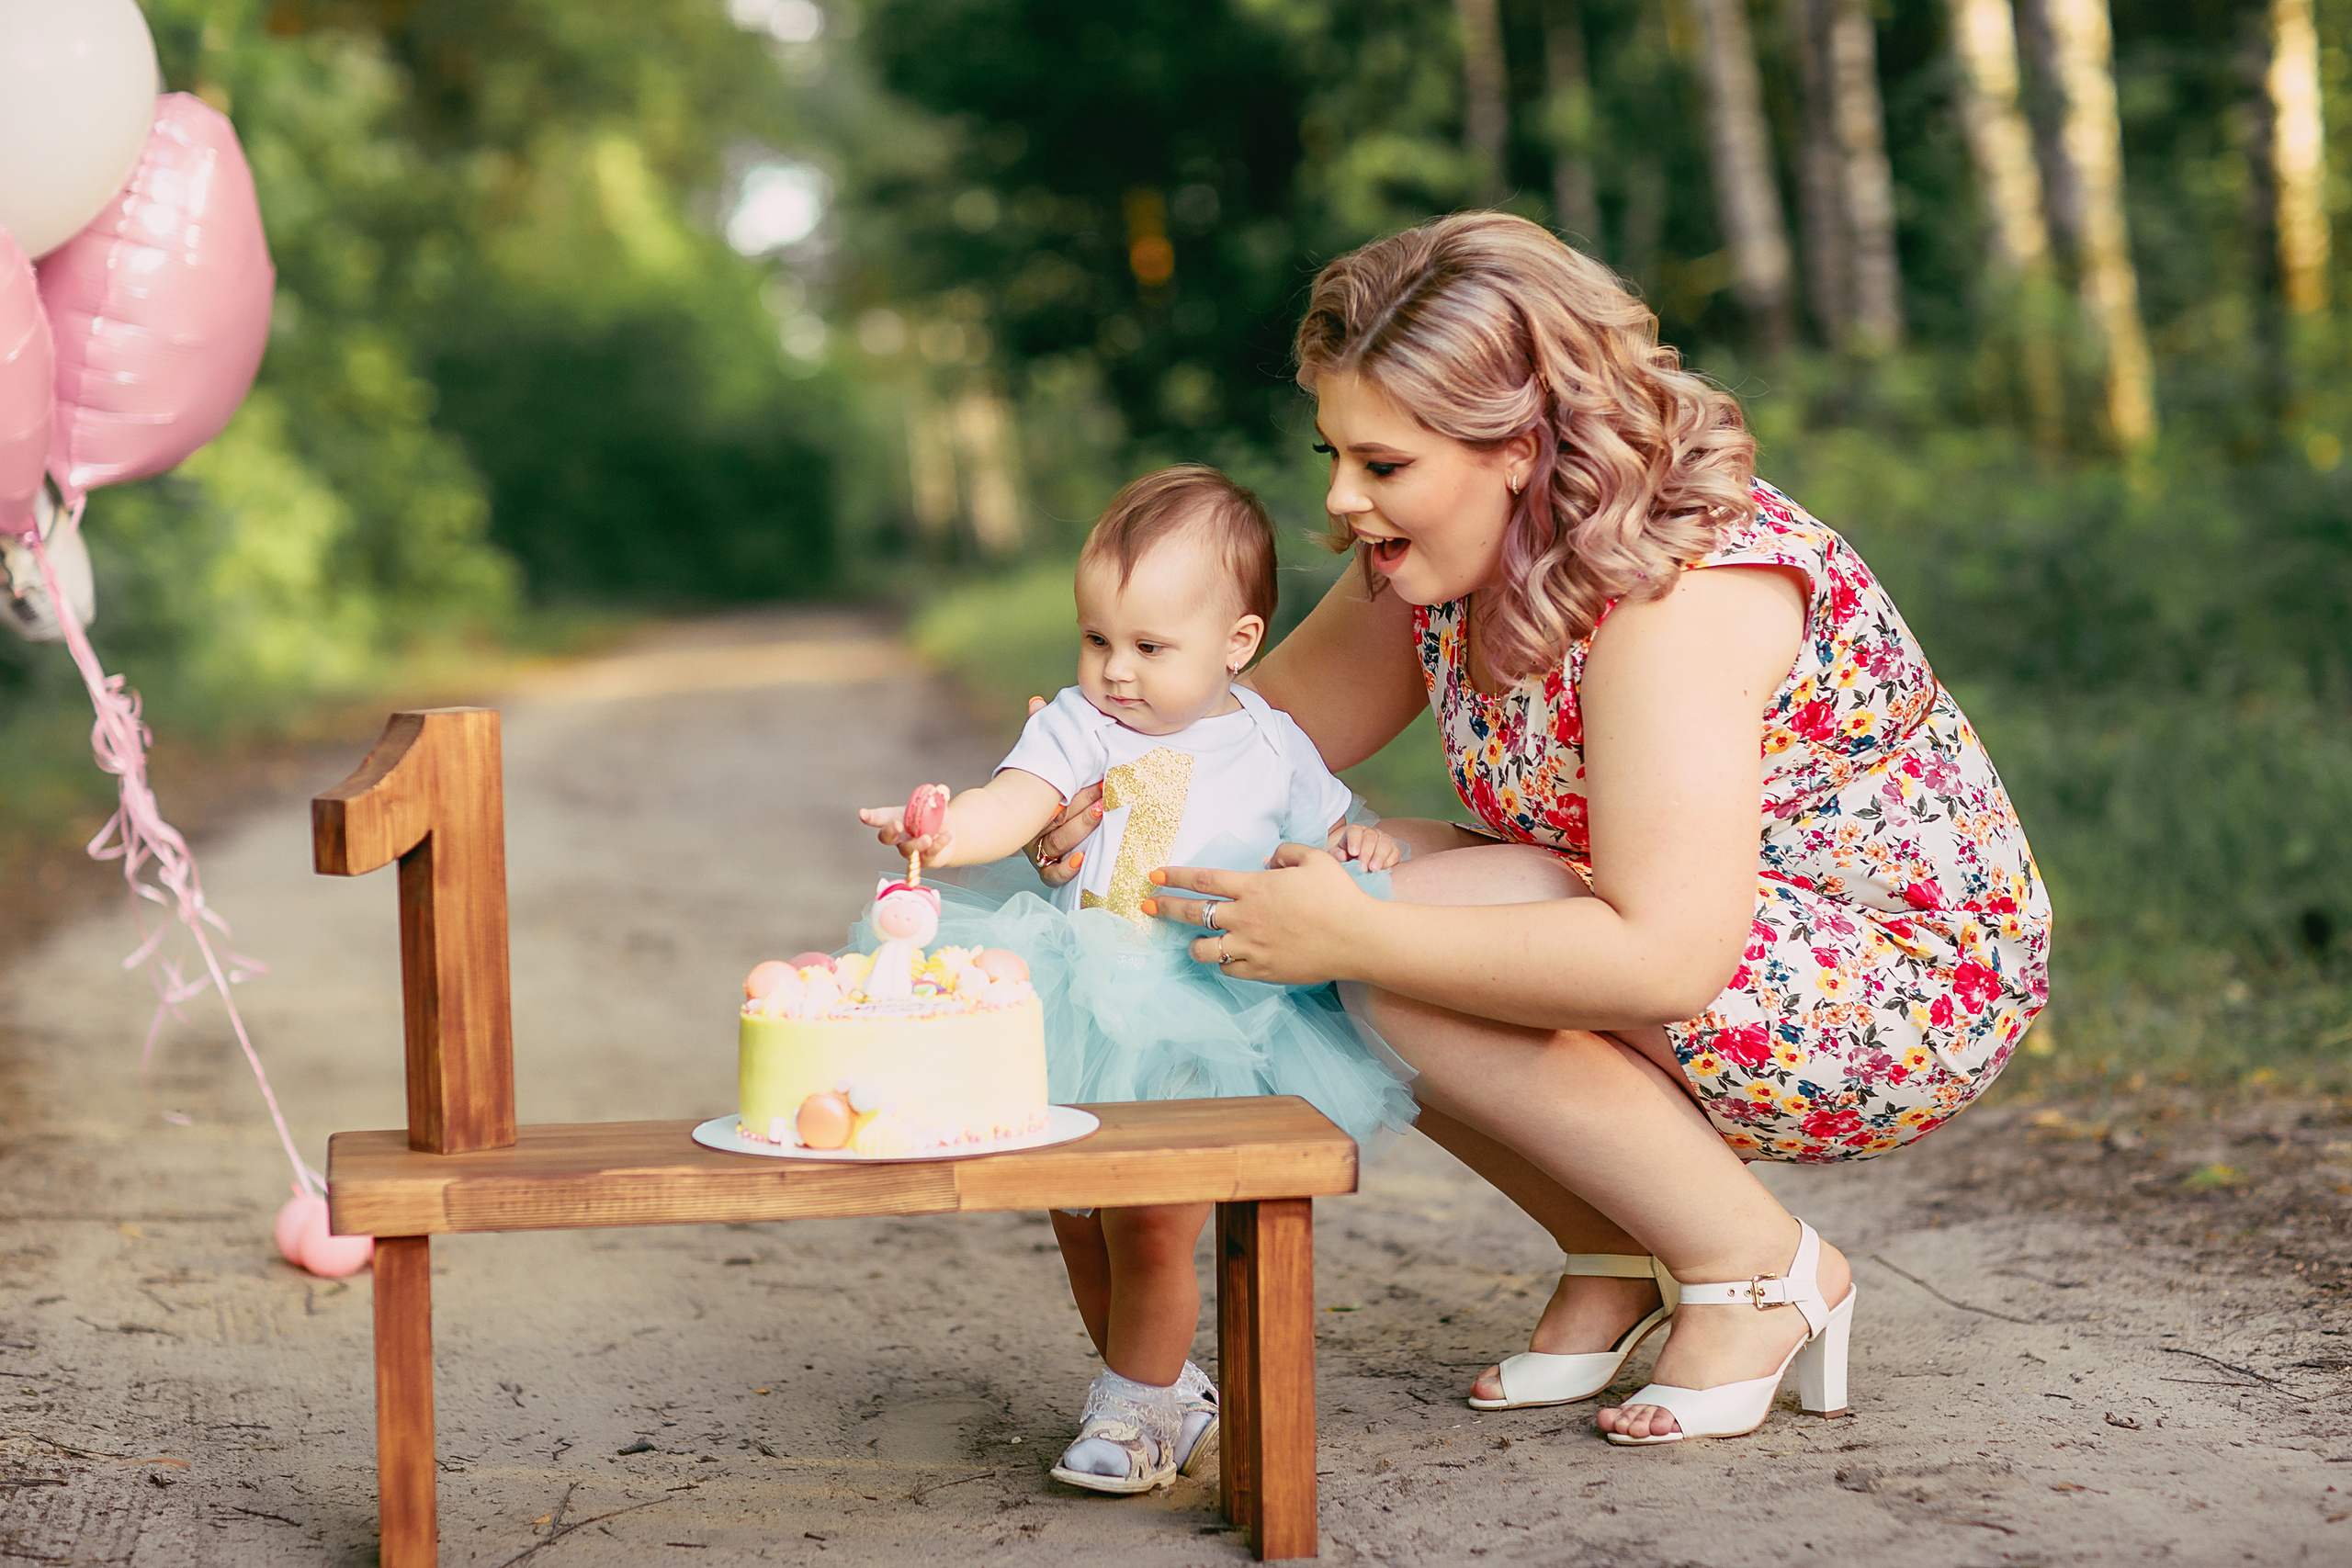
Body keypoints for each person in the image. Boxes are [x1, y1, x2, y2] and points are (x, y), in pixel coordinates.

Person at [1030, 212, 2052, 1445]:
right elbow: (1237, 743)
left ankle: (1758, 1267)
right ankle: (1617, 1236)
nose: (1340, 497)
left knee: (1375, 931)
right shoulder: (1434, 559)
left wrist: (1361, 930)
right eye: (1334, 452)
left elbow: (1670, 958)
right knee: (1279, 882)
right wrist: (1099, 796)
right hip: (1693, 931)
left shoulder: (1682, 593)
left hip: (1888, 983)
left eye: (1384, 463)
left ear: (1518, 444)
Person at [858, 465, 1418, 1489]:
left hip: (1212, 1007)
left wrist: (1361, 849)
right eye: (1097, 638)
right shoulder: (1079, 725)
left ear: (1236, 644)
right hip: (1084, 1001)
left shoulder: (1270, 741)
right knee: (1077, 1212)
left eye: (1150, 647)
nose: (1116, 670)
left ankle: (1129, 1415)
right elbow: (1011, 803)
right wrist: (937, 832)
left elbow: (1326, 833)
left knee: (1154, 1216)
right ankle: (1159, 1388)